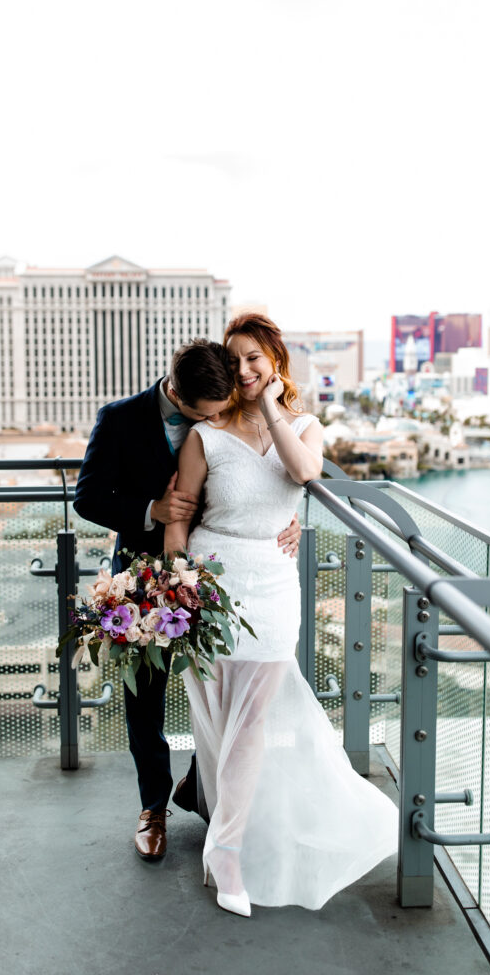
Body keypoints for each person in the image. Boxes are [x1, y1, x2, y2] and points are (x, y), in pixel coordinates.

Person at [164, 314, 398, 916]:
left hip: (272, 591)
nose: (243, 371)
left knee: (249, 727)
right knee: (217, 725)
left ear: (275, 361)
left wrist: (272, 409)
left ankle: (228, 851)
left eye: (254, 360)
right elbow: (179, 518)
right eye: (235, 360)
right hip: (210, 588)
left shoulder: (304, 426)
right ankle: (224, 826)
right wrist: (178, 580)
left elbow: (305, 473)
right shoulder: (204, 435)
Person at [74, 339, 301, 862]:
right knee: (145, 698)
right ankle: (154, 807)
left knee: (224, 691)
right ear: (175, 392)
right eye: (204, 415)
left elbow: (268, 473)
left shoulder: (230, 405)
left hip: (224, 580)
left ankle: (199, 785)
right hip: (143, 579)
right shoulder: (119, 418)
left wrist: (288, 518)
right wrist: (151, 509)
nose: (213, 421)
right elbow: (87, 496)